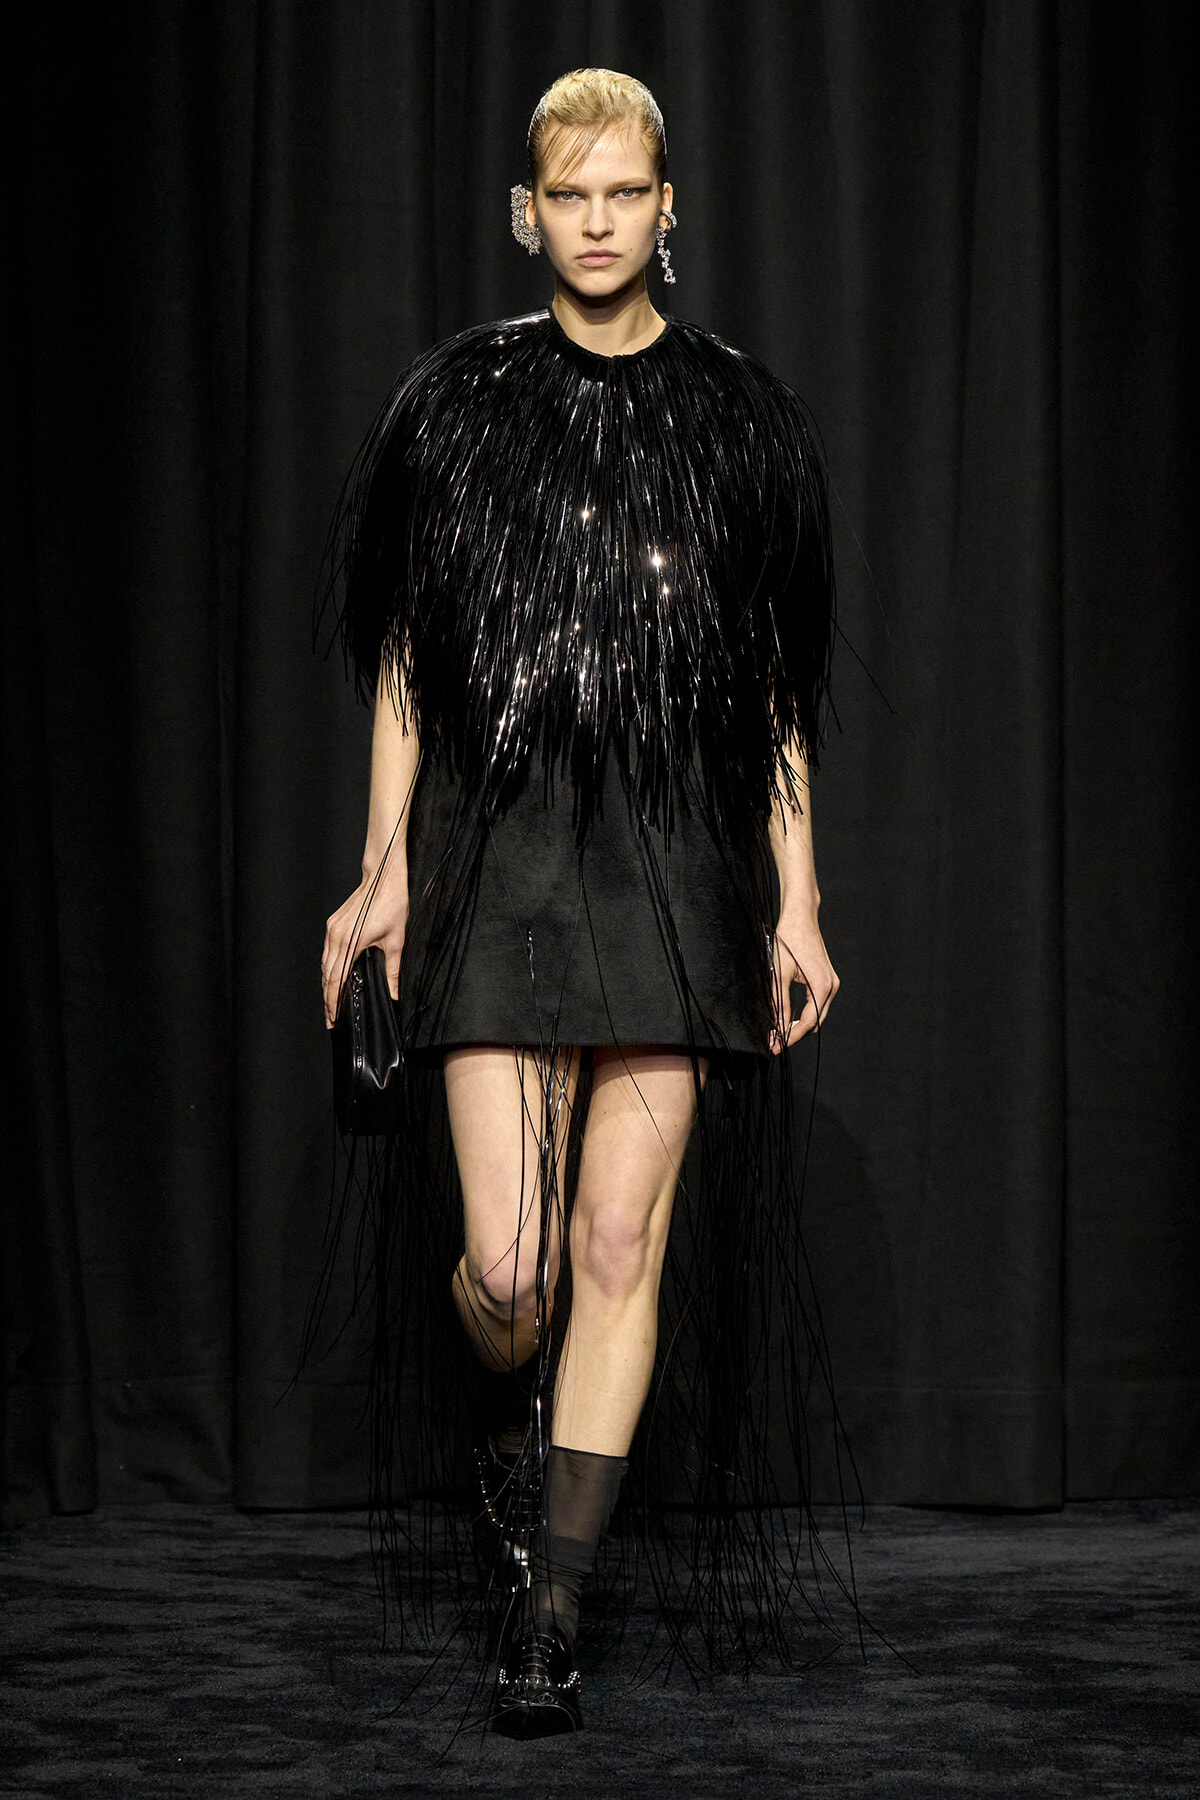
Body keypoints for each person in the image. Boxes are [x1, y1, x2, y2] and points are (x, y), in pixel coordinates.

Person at [318, 67, 843, 1740]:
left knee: (621, 1243)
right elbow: (404, 657)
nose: (600, 224)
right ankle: (506, 1424)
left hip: (674, 864)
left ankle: (548, 1612)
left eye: (628, 194)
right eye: (573, 197)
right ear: (527, 212)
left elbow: (771, 693)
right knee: (515, 1266)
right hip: (499, 851)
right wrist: (384, 866)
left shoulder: (740, 421)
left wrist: (799, 902)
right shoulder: (459, 406)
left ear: (668, 208)